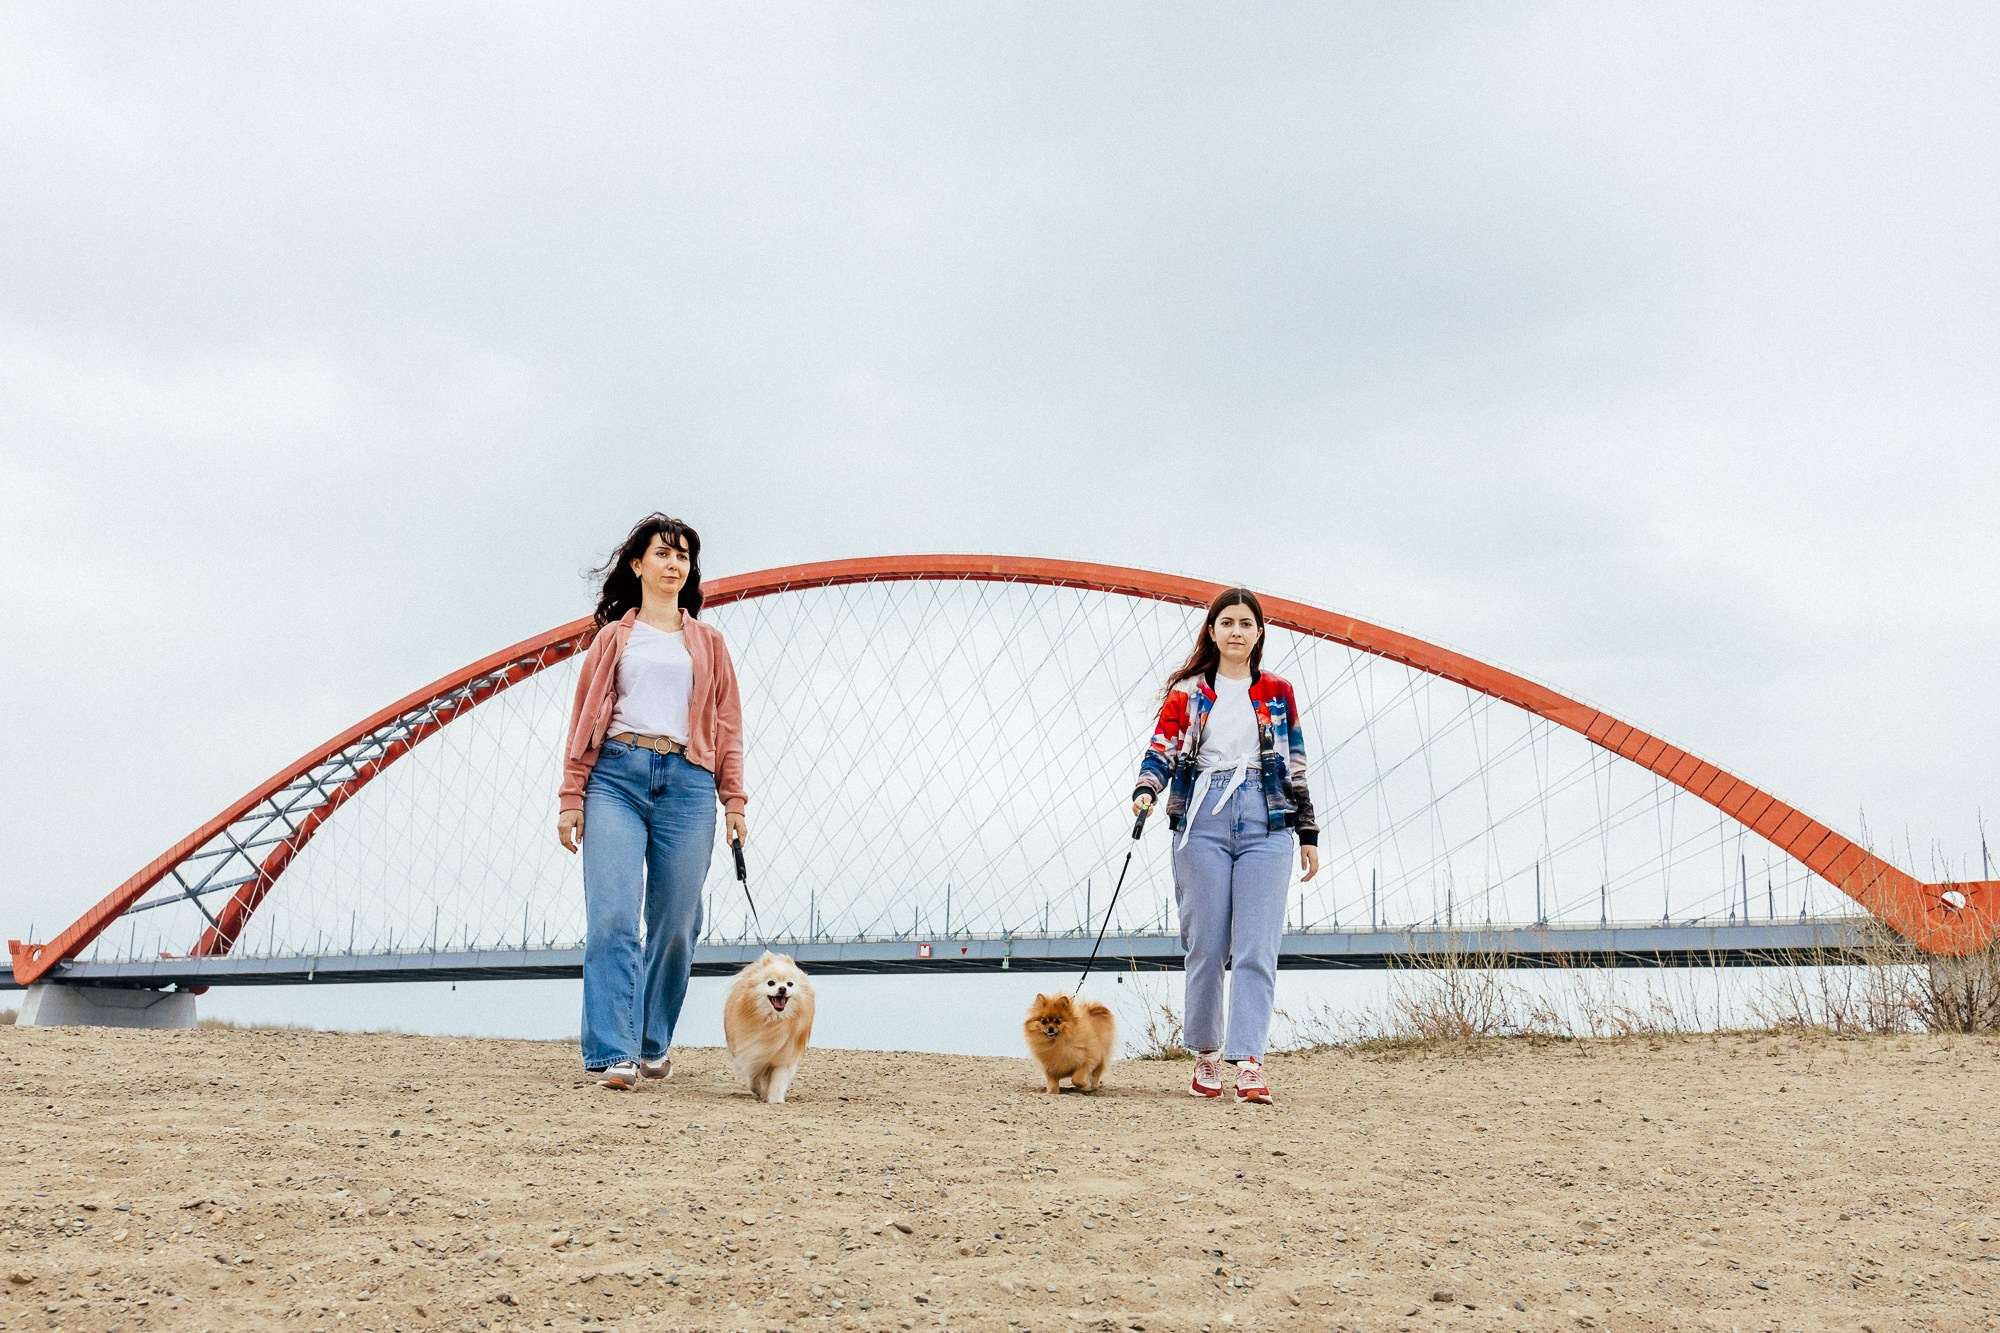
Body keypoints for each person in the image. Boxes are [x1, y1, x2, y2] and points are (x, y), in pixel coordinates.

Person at [557, 513, 747, 1090]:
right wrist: (572, 794)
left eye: (683, 556)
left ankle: (651, 1041)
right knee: (613, 917)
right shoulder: (613, 639)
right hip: (615, 775)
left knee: (676, 923)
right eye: (663, 554)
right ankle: (613, 1053)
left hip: (688, 783)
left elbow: (728, 725)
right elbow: (584, 718)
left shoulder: (710, 644)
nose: (674, 565)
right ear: (638, 565)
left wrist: (734, 800)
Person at [1132, 587, 1318, 1104]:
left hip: (1268, 817)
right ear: (1212, 631)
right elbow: (1161, 748)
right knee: (1207, 945)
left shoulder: (1278, 691)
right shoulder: (1188, 691)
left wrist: (1307, 832)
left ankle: (1250, 1062)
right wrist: (1147, 789)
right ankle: (1208, 1054)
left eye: (1246, 623)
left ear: (1259, 633)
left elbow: (1295, 762)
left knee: (1257, 946)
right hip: (1202, 818)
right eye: (1227, 622)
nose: (1236, 631)